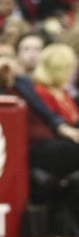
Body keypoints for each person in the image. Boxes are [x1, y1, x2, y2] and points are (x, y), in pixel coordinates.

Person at [30, 44, 79, 179]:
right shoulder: (40, 92)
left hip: (67, 141)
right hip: (48, 144)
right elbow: (51, 125)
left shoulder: (63, 93)